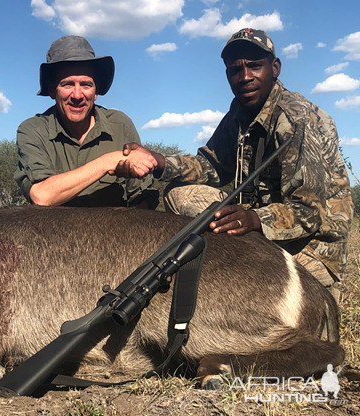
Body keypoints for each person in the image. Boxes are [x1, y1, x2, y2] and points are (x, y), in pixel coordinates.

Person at [125, 28, 353, 291]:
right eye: (236, 69)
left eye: (255, 66)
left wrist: (255, 219)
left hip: (313, 247)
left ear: (275, 68)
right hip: (258, 228)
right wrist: (160, 162)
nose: (245, 77)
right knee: (178, 195)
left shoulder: (296, 119)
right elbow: (211, 165)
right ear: (228, 75)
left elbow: (309, 212)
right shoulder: (239, 111)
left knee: (236, 285)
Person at [14, 35, 158, 208]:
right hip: (52, 234)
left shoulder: (121, 125)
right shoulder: (32, 130)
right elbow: (42, 196)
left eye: (86, 85)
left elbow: (142, 196)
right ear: (52, 90)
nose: (77, 95)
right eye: (67, 84)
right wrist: (108, 161)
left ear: (96, 92)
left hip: (114, 232)